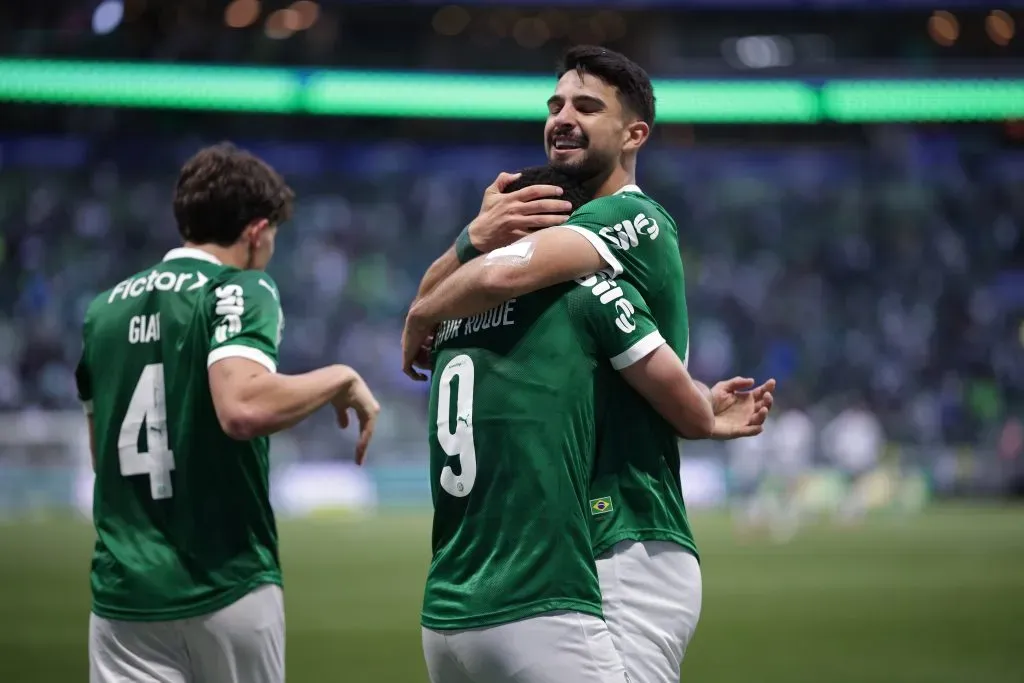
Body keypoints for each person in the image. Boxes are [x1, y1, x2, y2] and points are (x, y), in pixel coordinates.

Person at [403, 47, 773, 683]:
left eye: (585, 106)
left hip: (629, 531)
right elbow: (468, 282)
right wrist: (470, 239)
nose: (561, 117)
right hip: (575, 538)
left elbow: (488, 278)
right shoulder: (569, 266)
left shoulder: (632, 218)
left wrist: (423, 311)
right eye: (554, 105)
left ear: (635, 134)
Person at [75, 142, 381, 683]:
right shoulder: (238, 287)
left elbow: (104, 456)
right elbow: (241, 407)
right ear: (257, 231)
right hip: (226, 581)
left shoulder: (103, 311)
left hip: (124, 596)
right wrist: (339, 376)